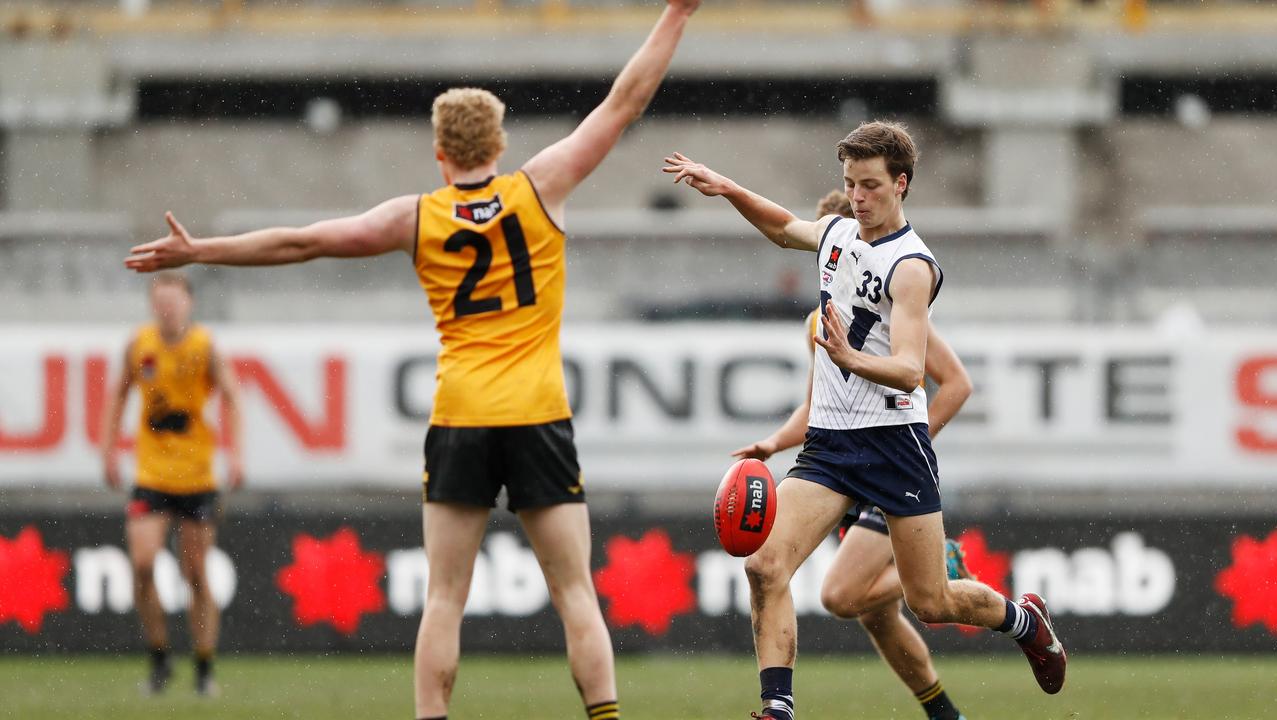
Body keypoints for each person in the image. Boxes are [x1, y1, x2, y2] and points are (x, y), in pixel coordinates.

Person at [123, 2, 701, 718]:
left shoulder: (414, 218)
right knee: (574, 590)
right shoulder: (541, 186)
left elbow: (301, 243)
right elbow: (627, 99)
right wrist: (677, 11)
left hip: (460, 417)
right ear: (500, 141)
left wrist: (202, 250)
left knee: (445, 596)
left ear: (439, 152)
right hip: (537, 413)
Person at [664, 120, 1066, 720]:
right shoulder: (836, 235)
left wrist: (851, 358)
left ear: (901, 184)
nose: (857, 196)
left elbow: (909, 371)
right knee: (765, 565)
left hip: (894, 449)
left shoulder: (911, 266)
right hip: (829, 449)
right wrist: (729, 189)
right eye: (850, 183)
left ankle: (1023, 621)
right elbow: (781, 228)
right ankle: (778, 707)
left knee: (931, 600)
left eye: (870, 185)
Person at [731, 189, 975, 720]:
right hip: (840, 459)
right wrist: (774, 443)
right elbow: (821, 401)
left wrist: (908, 438)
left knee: (844, 596)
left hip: (893, 460)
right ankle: (945, 714)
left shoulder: (894, 292)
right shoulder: (819, 321)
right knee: (877, 616)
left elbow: (955, 384)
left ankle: (945, 563)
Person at [100, 271, 244, 697]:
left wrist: (235, 455)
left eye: (174, 300)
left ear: (189, 303)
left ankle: (203, 666)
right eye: (160, 301)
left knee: (196, 574)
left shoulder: (205, 348)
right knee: (142, 566)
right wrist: (109, 451)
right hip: (151, 474)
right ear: (152, 304)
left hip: (197, 475)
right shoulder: (139, 345)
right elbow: (117, 395)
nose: (167, 308)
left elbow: (233, 396)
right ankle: (160, 656)